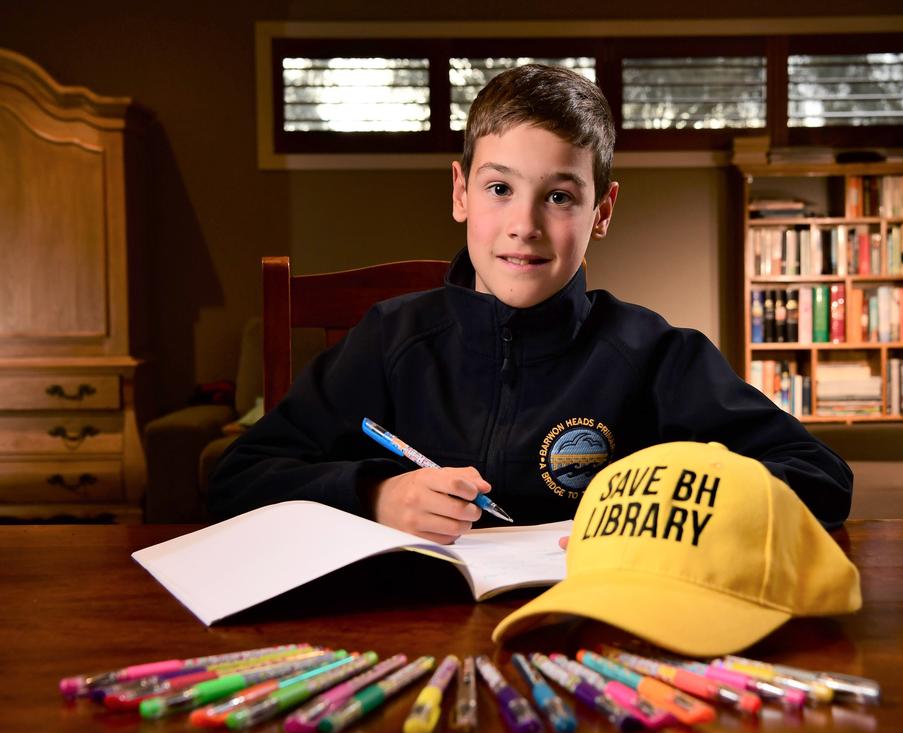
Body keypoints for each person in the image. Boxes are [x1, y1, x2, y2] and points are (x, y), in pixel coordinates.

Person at [208, 64, 852, 543]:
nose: (525, 224)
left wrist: (658, 511)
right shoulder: (388, 338)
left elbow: (821, 479)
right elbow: (238, 479)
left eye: (560, 196)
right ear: (461, 193)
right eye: (499, 188)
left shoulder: (653, 353)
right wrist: (373, 493)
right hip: (410, 628)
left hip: (592, 632)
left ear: (602, 210)